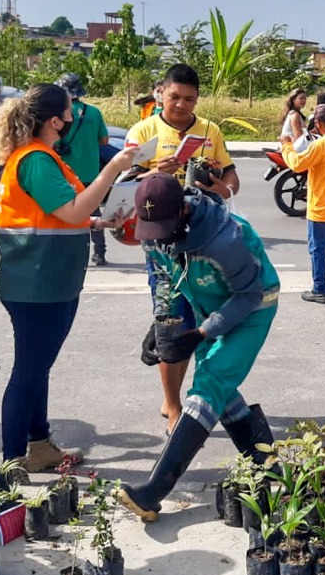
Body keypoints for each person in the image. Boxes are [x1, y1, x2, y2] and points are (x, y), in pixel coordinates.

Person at [0, 84, 140, 472]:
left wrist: (99, 220)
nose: (74, 118)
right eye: (70, 112)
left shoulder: (41, 157)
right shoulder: (36, 159)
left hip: (45, 280)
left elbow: (60, 214)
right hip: (38, 283)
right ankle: (11, 462)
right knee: (29, 371)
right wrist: (112, 169)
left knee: (37, 367)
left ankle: (38, 447)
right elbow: (70, 212)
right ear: (56, 120)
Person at [117, 174, 277, 522]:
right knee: (218, 384)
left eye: (164, 228)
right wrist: (159, 325)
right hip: (209, 306)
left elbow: (249, 295)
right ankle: (267, 464)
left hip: (253, 308)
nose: (158, 239)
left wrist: (203, 332)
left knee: (207, 387)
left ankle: (154, 491)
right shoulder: (155, 233)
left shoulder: (225, 238)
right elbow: (165, 279)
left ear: (184, 210)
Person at [124, 64, 240, 430]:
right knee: (171, 318)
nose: (181, 106)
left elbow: (231, 179)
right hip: (161, 244)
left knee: (204, 318)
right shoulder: (144, 131)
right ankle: (172, 405)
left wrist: (216, 185)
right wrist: (155, 171)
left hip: (206, 239)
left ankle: (200, 394)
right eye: (175, 97)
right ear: (160, 93)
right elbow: (123, 187)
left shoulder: (210, 130)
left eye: (189, 99)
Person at [282, 104, 325, 304]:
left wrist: (287, 146)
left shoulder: (321, 145)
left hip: (320, 208)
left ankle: (319, 289)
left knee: (318, 250)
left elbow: (297, 164)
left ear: (318, 123)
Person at [54, 73, 112, 267]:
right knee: (93, 211)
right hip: (91, 172)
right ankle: (99, 253)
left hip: (67, 173)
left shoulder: (59, 114)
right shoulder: (94, 112)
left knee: (67, 213)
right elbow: (104, 140)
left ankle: (71, 253)